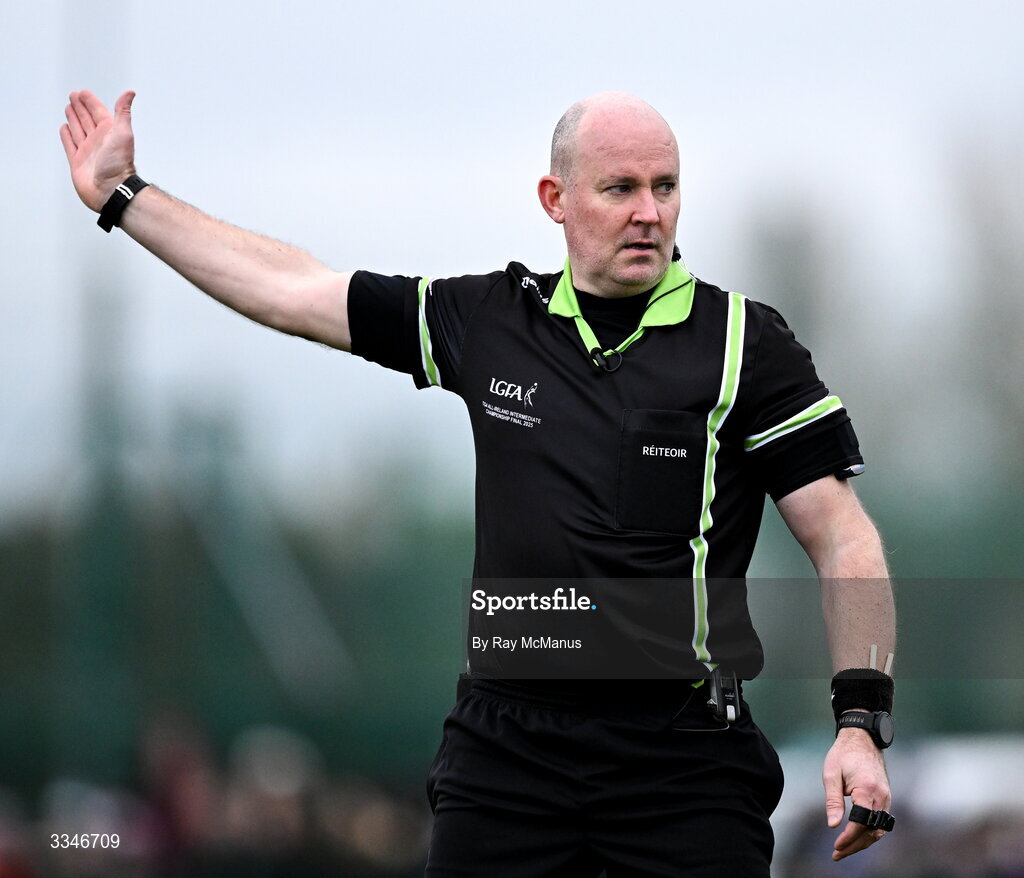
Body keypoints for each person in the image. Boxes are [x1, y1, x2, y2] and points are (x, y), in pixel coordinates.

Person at [60, 89, 896, 876]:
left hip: (683, 757)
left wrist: (860, 724)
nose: (649, 211)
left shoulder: (745, 342)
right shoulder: (490, 321)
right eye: (619, 188)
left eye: (665, 186)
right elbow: (295, 290)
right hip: (509, 750)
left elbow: (841, 534)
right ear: (555, 198)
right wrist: (122, 196)